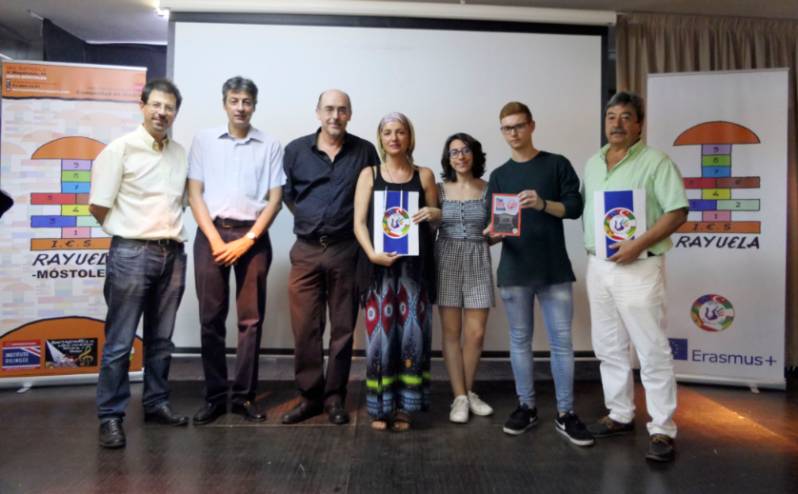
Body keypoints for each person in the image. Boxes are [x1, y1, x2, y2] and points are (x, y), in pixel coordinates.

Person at [582, 91, 688, 462]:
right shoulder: (593, 163)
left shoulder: (656, 162)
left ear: (639, 124)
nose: (617, 124)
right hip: (599, 266)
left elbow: (677, 212)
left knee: (651, 348)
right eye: (611, 117)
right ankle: (620, 414)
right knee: (608, 346)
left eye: (626, 117)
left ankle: (662, 429)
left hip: (640, 265)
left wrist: (637, 244)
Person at [485, 101, 594, 446]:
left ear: (532, 125)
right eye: (507, 128)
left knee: (562, 342)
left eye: (519, 125)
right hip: (515, 270)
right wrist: (492, 235)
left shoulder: (556, 164)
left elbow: (575, 208)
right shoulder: (499, 175)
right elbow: (495, 227)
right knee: (519, 341)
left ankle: (566, 412)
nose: (514, 133)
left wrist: (543, 203)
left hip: (553, 268)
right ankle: (526, 406)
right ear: (502, 132)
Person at [89, 79, 189, 449]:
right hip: (131, 253)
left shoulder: (179, 153)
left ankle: (156, 404)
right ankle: (110, 416)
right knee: (120, 342)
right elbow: (98, 206)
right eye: (156, 105)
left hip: (172, 254)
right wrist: (131, 232)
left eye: (169, 107)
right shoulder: (120, 150)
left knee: (161, 341)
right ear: (142, 106)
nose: (162, 113)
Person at [187, 76, 284, 425]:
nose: (240, 107)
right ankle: (215, 397)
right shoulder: (204, 140)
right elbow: (194, 193)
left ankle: (244, 396)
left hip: (252, 236)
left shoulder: (270, 144)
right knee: (211, 318)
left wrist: (248, 239)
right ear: (224, 103)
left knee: (250, 320)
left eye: (247, 101)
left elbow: (275, 199)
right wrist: (215, 240)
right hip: (211, 233)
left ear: (254, 105)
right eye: (234, 100)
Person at [281, 90, 380, 425]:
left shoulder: (365, 151)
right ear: (317, 112)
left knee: (342, 329)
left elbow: (375, 196)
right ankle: (310, 397)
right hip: (306, 250)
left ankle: (335, 397)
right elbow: (288, 194)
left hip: (346, 250)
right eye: (329, 109)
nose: (335, 116)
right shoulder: (296, 150)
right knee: (305, 328)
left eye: (341, 110)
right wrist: (311, 219)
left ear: (349, 114)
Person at [353, 112, 439, 431]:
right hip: (378, 270)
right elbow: (358, 223)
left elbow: (435, 222)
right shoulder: (369, 174)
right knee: (379, 338)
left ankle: (405, 408)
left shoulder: (424, 175)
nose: (394, 138)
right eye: (388, 132)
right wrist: (372, 253)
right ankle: (380, 407)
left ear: (409, 137)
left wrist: (434, 213)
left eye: (400, 132)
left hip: (415, 271)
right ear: (381, 138)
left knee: (412, 338)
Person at [435, 133, 495, 424]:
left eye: (466, 150)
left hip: (478, 256)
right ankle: (459, 396)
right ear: (448, 158)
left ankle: (468, 392)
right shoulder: (438, 190)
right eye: (454, 152)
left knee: (476, 333)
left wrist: (501, 232)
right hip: (446, 257)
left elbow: (494, 233)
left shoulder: (490, 188)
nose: (460, 156)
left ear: (475, 154)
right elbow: (427, 226)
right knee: (451, 332)